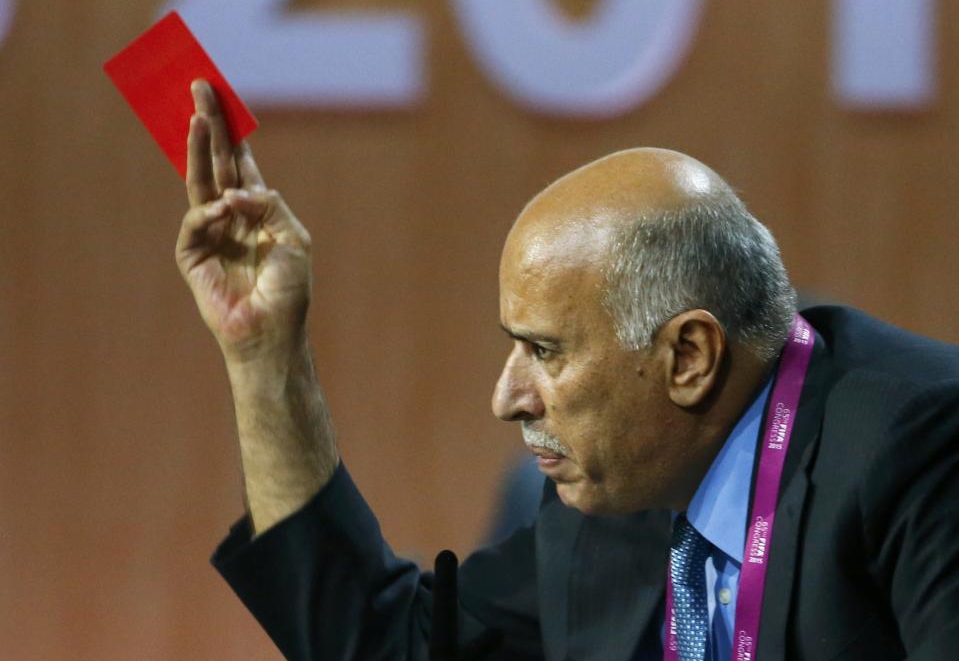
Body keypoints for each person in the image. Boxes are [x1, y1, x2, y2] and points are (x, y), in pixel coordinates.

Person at [177, 81, 959, 660]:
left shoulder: (921, 447)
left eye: (545, 351)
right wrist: (264, 354)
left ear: (687, 358)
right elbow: (383, 644)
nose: (507, 398)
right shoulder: (622, 492)